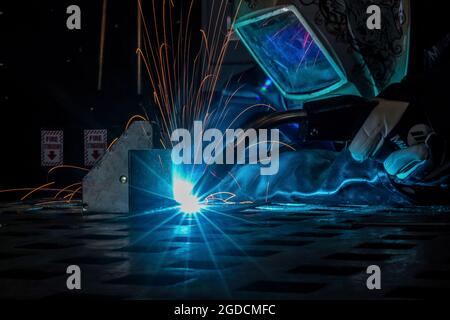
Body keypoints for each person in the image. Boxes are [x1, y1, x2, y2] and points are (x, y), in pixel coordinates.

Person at [200, 0, 450, 205]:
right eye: (282, 42)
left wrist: (432, 118)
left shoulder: (438, 55)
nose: (296, 54)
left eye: (301, 41)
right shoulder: (275, 83)